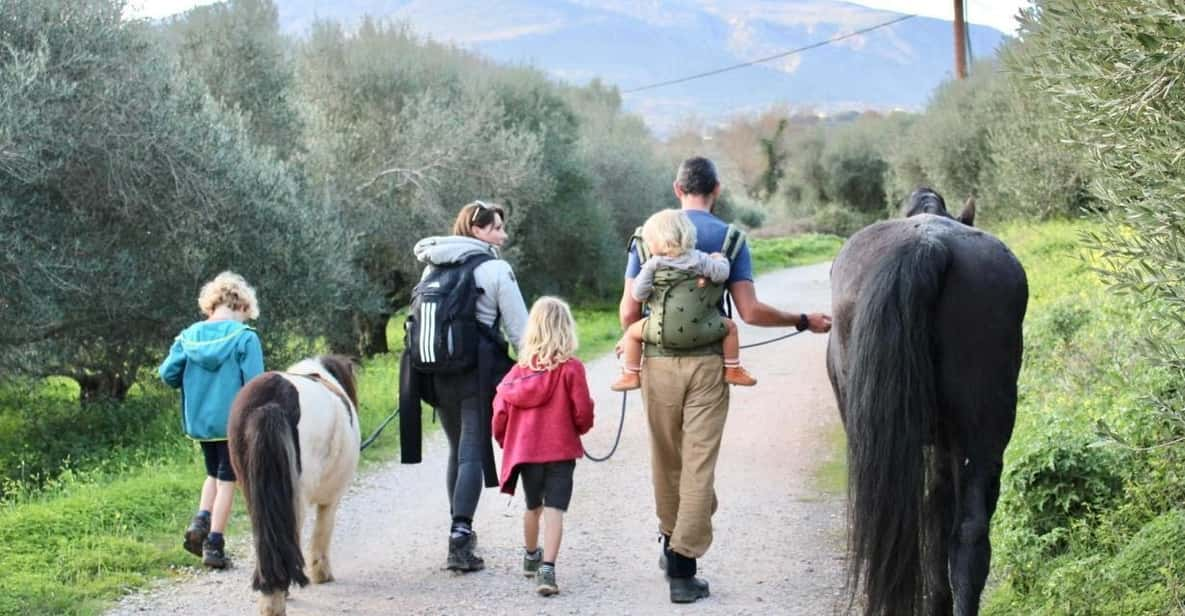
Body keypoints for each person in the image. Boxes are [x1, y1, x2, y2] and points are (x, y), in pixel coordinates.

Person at [619, 157, 832, 603]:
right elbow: (750, 312)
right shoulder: (730, 239)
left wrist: (635, 340)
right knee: (699, 464)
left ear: (677, 189)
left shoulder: (647, 236)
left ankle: (670, 537)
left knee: (666, 458)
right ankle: (682, 568)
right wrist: (802, 320)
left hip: (656, 364)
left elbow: (627, 311)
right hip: (708, 365)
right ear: (715, 189)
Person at [399, 200, 530, 572]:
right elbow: (520, 331)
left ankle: (460, 528)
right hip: (476, 375)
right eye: (496, 228)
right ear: (476, 229)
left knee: (458, 448)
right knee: (472, 449)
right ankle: (460, 538)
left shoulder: (431, 266)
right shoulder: (495, 269)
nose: (503, 235)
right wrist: (533, 371)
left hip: (434, 374)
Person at [158, 271, 265, 569]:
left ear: (212, 305)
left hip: (201, 424)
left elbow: (167, 374)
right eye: (247, 315)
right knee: (229, 480)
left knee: (214, 475)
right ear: (242, 306)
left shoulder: (187, 337)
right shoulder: (245, 338)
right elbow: (255, 385)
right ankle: (214, 544)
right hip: (234, 423)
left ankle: (200, 519)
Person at [492, 296, 594, 596]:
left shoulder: (516, 374)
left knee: (532, 506)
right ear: (566, 329)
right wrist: (580, 427)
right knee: (555, 510)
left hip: (527, 452)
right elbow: (582, 412)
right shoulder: (571, 369)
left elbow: (499, 414)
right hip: (560, 451)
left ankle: (531, 555)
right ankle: (547, 569)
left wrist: (506, 440)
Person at [610, 208, 756, 392]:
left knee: (631, 333)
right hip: (704, 329)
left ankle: (631, 373)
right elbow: (721, 275)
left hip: (660, 331)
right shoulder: (700, 259)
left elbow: (638, 294)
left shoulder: (652, 264)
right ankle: (733, 369)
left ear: (658, 241)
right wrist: (720, 259)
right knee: (731, 328)